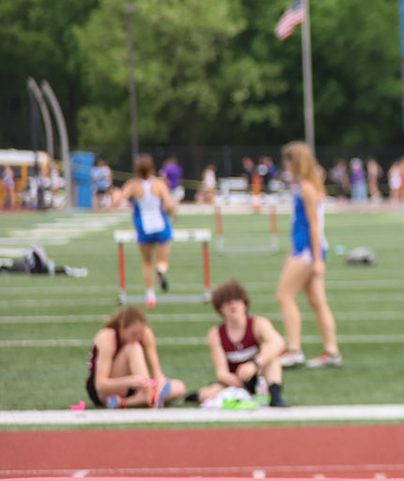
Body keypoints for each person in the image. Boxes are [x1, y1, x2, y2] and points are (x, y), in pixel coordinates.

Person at [277, 141, 342, 368]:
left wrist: (315, 260)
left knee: (284, 296)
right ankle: (332, 351)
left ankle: (294, 349)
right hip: (304, 248)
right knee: (317, 301)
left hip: (307, 250)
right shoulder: (307, 185)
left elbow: (314, 225)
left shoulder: (307, 188)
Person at [202, 279, 289, 407]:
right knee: (207, 393)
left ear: (245, 304)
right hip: (236, 381)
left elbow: (278, 343)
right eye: (227, 302)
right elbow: (221, 372)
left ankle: (275, 397)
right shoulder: (215, 334)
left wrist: (254, 365)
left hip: (259, 377)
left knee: (272, 360)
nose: (233, 306)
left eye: (237, 301)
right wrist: (233, 380)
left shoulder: (258, 324)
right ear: (220, 309)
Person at [86, 306, 187, 409]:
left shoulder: (145, 334)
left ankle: (126, 402)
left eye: (140, 333)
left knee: (180, 387)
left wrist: (159, 385)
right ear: (122, 326)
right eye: (133, 333)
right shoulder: (108, 337)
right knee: (133, 347)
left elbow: (157, 374)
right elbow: (100, 384)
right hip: (106, 390)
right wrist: (129, 381)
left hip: (134, 386)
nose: (137, 337)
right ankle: (148, 395)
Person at [112, 154, 177, 307]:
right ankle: (161, 269)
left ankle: (150, 296)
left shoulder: (133, 185)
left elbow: (117, 202)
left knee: (147, 262)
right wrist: (172, 213)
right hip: (161, 225)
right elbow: (170, 204)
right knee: (162, 260)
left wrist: (115, 194)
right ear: (152, 168)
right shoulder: (159, 184)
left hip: (143, 227)